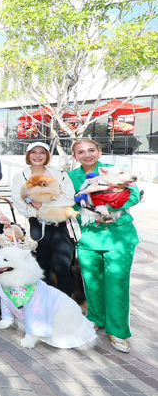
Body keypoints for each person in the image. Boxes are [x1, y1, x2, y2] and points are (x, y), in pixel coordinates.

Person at [68, 138, 140, 353]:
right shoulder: (71, 177)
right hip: (88, 236)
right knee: (91, 282)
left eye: (91, 150)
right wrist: (90, 208)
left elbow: (134, 195)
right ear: (75, 156)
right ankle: (95, 318)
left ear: (99, 151)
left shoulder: (117, 170)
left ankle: (118, 330)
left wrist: (106, 205)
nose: (87, 154)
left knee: (117, 284)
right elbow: (68, 201)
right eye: (81, 152)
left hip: (119, 236)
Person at [11, 142, 77, 296]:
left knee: (62, 265)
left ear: (47, 155)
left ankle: (66, 300)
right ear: (28, 155)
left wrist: (43, 204)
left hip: (60, 222)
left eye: (42, 152)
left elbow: (69, 198)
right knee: (43, 264)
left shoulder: (59, 173)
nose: (38, 156)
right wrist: (35, 211)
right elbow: (19, 201)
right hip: (38, 223)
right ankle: (44, 300)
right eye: (34, 152)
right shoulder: (20, 176)